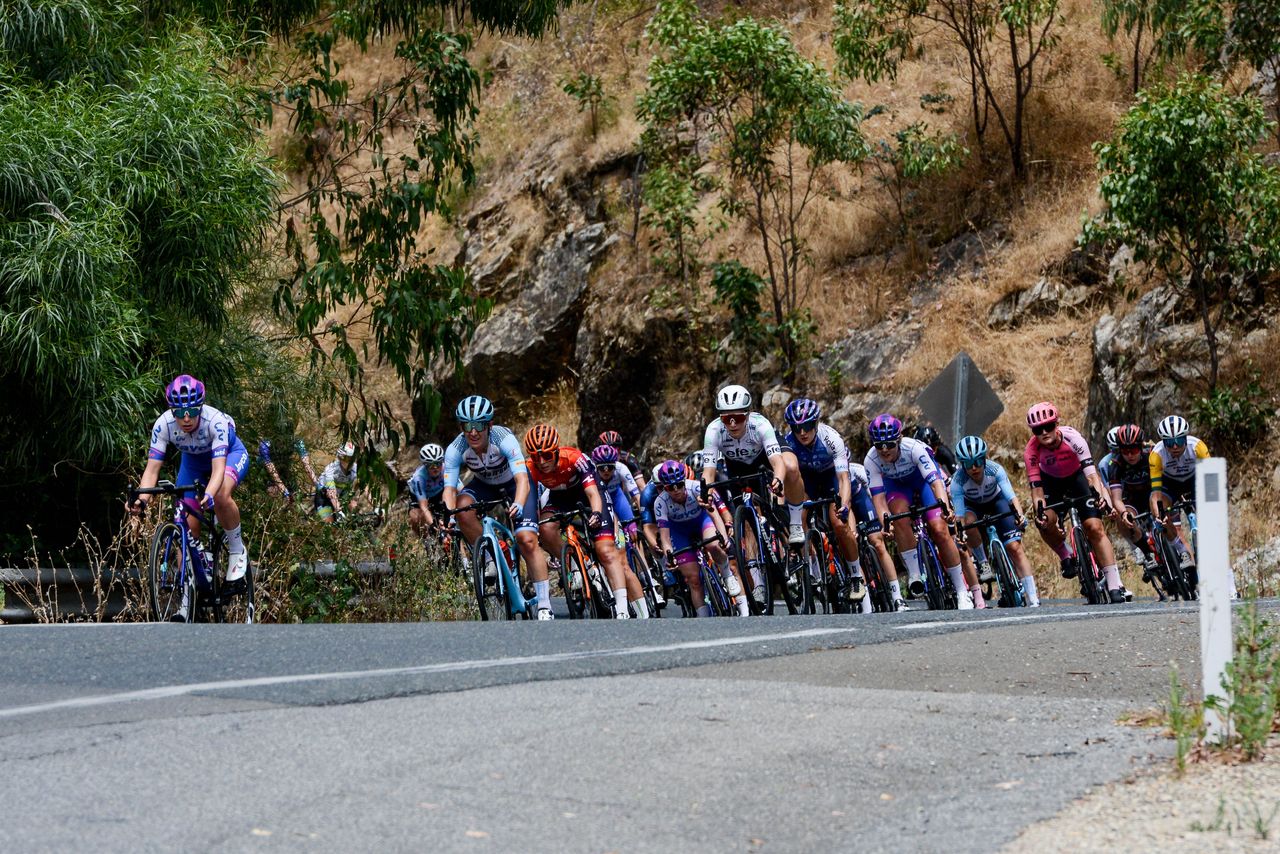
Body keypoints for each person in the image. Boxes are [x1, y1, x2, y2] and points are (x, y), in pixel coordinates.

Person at [130, 375, 252, 620]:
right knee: (185, 527)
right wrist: (141, 501)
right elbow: (152, 470)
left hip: (227, 455)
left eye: (192, 411)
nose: (186, 418)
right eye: (179, 412)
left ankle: (237, 551)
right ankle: (187, 599)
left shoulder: (214, 421)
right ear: (172, 410)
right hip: (193, 464)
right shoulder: (163, 424)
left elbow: (218, 471)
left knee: (219, 495)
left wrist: (208, 492)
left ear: (200, 407)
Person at [441, 396, 552, 619]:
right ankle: (490, 559)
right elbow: (449, 490)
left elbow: (522, 479)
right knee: (462, 508)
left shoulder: (503, 438)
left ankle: (544, 604)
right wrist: (449, 518)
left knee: (527, 540)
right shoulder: (456, 448)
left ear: (489, 425)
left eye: (479, 425)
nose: (472, 432)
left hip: (514, 484)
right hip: (484, 484)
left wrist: (519, 503)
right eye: (466, 426)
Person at [525, 424, 649, 619]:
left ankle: (623, 608)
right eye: (535, 456)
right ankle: (574, 562)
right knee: (545, 529)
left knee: (606, 551)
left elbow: (593, 493)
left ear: (556, 451)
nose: (541, 461)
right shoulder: (530, 468)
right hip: (559, 498)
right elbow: (530, 500)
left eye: (547, 455)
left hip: (588, 493)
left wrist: (597, 514)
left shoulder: (575, 458)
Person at [864, 413, 977, 609]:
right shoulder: (871, 460)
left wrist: (946, 507)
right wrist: (885, 522)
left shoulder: (915, 448)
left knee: (939, 528)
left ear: (898, 440)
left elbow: (936, 483)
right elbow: (879, 498)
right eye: (878, 445)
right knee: (898, 516)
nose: (884, 450)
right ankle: (915, 574)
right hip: (897, 487)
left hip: (923, 482)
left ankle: (962, 591)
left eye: (889, 444)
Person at [1024, 401, 1126, 604]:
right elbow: (1037, 492)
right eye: (1038, 429)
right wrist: (1040, 514)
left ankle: (1115, 584)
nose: (1044, 432)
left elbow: (1092, 476)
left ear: (1057, 423)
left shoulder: (1074, 439)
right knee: (1044, 522)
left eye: (1049, 426)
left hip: (1077, 479)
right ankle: (1066, 555)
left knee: (1094, 527)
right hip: (1051, 484)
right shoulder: (1031, 451)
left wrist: (1101, 499)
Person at [781, 398, 866, 604]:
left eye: (808, 426)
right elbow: (786, 480)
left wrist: (844, 506)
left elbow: (844, 479)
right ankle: (813, 569)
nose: (802, 432)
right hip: (808, 480)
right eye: (797, 428)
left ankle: (856, 576)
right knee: (797, 518)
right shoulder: (788, 442)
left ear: (816, 423)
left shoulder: (831, 438)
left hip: (830, 477)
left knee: (838, 522)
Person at [699, 383, 806, 545]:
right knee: (747, 523)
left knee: (790, 467)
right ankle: (758, 565)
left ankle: (796, 523)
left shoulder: (760, 425)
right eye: (727, 419)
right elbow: (708, 472)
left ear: (748, 415)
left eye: (739, 418)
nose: (733, 424)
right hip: (737, 464)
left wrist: (778, 479)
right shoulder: (713, 431)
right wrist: (705, 491)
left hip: (764, 456)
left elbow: (777, 462)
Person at [951, 436, 1040, 607]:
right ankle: (984, 563)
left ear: (984, 458)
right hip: (973, 507)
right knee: (968, 522)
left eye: (977, 461)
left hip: (997, 502)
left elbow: (1011, 498)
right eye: (968, 464)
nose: (974, 468)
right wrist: (960, 532)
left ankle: (1033, 597)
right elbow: (960, 515)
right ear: (962, 465)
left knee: (1014, 547)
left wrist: (1019, 516)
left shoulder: (995, 470)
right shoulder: (958, 481)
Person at [653, 459, 749, 617]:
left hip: (702, 521)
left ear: (685, 481)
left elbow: (714, 513)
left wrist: (724, 538)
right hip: (679, 531)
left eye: (679, 485)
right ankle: (703, 620)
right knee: (693, 580)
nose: (676, 490)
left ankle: (726, 574)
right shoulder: (660, 502)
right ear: (664, 488)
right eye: (671, 487)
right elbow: (664, 536)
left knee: (713, 546)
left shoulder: (696, 487)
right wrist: (669, 555)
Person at [1103, 424, 1164, 599]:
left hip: (1154, 492)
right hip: (1132, 499)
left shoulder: (1152, 453)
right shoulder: (1116, 464)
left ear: (1141, 445)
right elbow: (1116, 499)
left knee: (1160, 511)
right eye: (1125, 450)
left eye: (1134, 449)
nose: (1130, 455)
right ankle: (1146, 551)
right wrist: (1123, 514)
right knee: (1124, 519)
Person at [1148, 414, 1208, 577]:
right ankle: (1183, 551)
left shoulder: (1198, 447)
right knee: (1159, 511)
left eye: (1179, 441)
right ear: (1163, 442)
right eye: (1169, 442)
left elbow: (1210, 479)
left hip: (1195, 479)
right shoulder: (1156, 454)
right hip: (1170, 484)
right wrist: (1159, 513)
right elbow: (1156, 491)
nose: (1175, 446)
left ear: (1186, 438)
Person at [314, 442, 361, 523]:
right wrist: (338, 510)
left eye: (352, 459)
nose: (350, 462)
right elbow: (332, 493)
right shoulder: (330, 469)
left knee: (354, 507)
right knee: (330, 525)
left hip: (341, 496)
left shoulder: (356, 468)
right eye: (347, 459)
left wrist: (376, 506)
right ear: (340, 457)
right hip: (323, 497)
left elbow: (366, 488)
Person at [408, 443, 447, 539]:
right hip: (420, 499)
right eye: (431, 465)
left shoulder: (446, 469)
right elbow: (423, 506)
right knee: (415, 518)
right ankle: (427, 541)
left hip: (438, 494)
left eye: (438, 463)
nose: (435, 467)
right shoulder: (419, 477)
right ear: (425, 465)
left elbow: (460, 490)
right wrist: (432, 524)